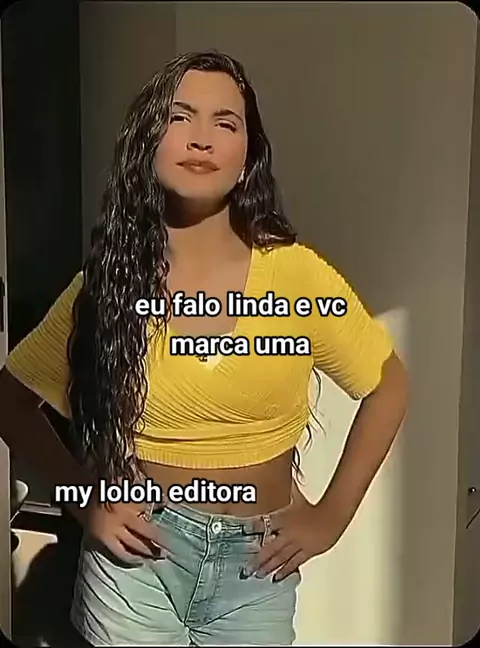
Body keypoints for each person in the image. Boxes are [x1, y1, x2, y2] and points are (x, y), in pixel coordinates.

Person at [0, 50, 409, 647]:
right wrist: (87, 501)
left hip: (255, 568)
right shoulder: (106, 286)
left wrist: (330, 518)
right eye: (181, 116)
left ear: (247, 157)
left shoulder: (296, 277)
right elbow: (10, 401)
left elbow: (388, 384)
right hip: (136, 566)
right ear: (148, 143)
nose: (202, 138)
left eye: (225, 122)